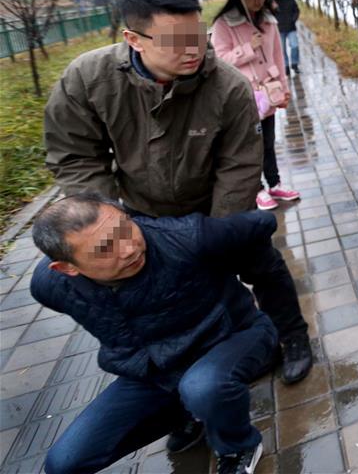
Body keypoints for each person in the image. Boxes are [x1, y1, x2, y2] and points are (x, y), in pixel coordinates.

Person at [43, 0, 313, 392]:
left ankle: (292, 335)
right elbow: (76, 156)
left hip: (214, 208)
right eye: (175, 41)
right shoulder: (88, 80)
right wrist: (115, 221)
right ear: (134, 38)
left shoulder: (227, 86)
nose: (193, 51)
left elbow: (240, 164)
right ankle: (193, 377)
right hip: (142, 216)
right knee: (170, 296)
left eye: (198, 36)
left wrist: (215, 237)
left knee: (262, 263)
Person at [31, 193, 279, 474]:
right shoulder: (49, 286)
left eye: (126, 228)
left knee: (201, 387)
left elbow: (262, 222)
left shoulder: (184, 237)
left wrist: (290, 326)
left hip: (232, 337)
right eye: (104, 249)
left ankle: (238, 446)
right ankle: (192, 412)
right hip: (154, 373)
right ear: (66, 268)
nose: (128, 249)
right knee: (63, 463)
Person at [211, 0, 301, 211]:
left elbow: (278, 57)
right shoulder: (223, 24)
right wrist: (247, 48)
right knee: (249, 146)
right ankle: (256, 189)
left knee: (268, 142)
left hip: (268, 93)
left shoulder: (269, 20)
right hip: (242, 96)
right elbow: (218, 60)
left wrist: (284, 88)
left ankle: (274, 183)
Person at [272, 0, 300, 73]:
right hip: (279, 29)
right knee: (282, 50)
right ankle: (286, 66)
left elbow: (296, 10)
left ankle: (295, 64)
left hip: (291, 27)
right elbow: (268, 15)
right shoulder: (271, 0)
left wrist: (293, 19)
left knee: (295, 46)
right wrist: (273, 8)